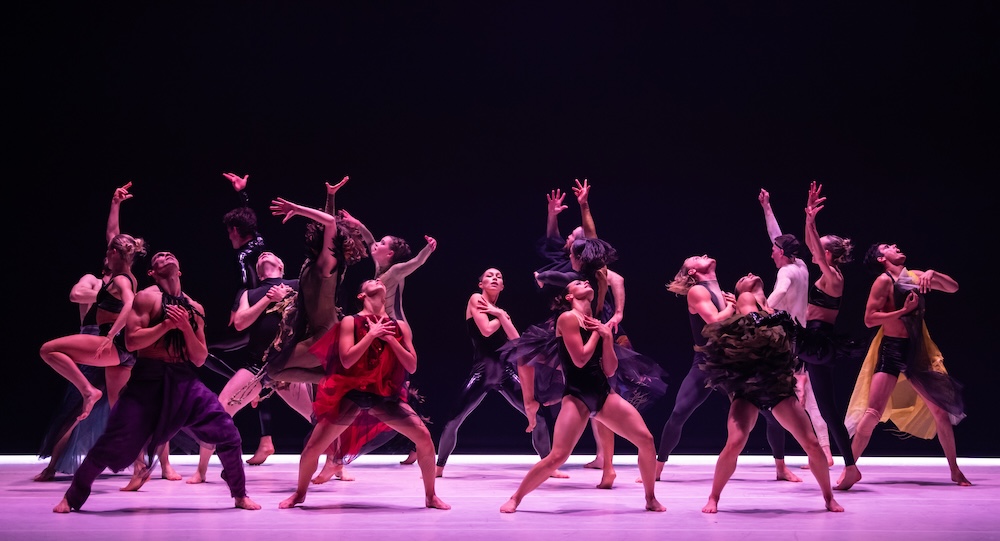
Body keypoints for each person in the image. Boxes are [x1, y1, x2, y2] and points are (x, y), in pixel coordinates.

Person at [53, 251, 261, 512]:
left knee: (228, 434)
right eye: (159, 256)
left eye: (169, 254)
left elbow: (198, 358)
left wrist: (185, 327)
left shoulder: (194, 308)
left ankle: (239, 495)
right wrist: (165, 326)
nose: (165, 255)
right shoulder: (145, 298)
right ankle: (71, 498)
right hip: (147, 381)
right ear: (151, 272)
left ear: (180, 270)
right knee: (111, 443)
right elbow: (131, 342)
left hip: (184, 383)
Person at [279, 279, 450, 510]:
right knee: (312, 448)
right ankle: (299, 494)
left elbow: (411, 366)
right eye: (371, 280)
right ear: (361, 295)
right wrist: (371, 335)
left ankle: (430, 496)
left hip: (384, 395)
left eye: (378, 279)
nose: (377, 280)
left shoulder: (399, 327)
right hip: (351, 393)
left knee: (425, 439)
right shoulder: (351, 321)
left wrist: (389, 338)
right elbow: (347, 360)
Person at [499, 280, 666, 513]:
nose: (586, 281)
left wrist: (607, 337)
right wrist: (599, 334)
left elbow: (610, 369)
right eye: (578, 282)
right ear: (569, 297)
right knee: (558, 456)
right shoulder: (567, 319)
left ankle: (650, 498)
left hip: (603, 393)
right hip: (576, 396)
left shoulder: (596, 324)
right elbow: (579, 359)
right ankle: (516, 498)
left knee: (646, 441)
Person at [697, 273, 844, 513]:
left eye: (753, 273)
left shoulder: (771, 307)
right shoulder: (746, 298)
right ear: (738, 290)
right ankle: (713, 497)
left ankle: (829, 498)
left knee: (812, 444)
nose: (751, 274)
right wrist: (779, 319)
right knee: (734, 442)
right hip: (750, 385)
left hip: (777, 385)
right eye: (744, 276)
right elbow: (753, 324)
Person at [650, 254, 789, 482]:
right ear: (692, 272)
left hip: (731, 363)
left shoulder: (721, 292)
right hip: (706, 363)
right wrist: (732, 307)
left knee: (771, 414)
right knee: (678, 413)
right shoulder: (698, 291)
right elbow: (714, 321)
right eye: (696, 257)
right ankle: (656, 469)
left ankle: (781, 468)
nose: (704, 255)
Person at [843, 242, 970, 486]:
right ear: (881, 258)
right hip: (892, 349)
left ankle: (955, 470)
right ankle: (850, 469)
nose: (896, 246)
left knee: (940, 412)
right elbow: (870, 319)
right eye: (888, 246)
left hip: (916, 350)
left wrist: (933, 273)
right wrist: (902, 311)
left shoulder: (916, 276)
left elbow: (953, 287)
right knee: (872, 413)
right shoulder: (883, 281)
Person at [189, 251, 315, 483]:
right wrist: (269, 298)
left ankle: (337, 466)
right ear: (258, 271)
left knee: (319, 416)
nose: (264, 254)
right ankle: (201, 470)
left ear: (280, 265)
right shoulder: (249, 293)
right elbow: (240, 322)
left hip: (289, 365)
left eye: (271, 254)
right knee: (220, 408)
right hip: (257, 365)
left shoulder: (297, 285)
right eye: (260, 257)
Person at [435, 268, 554, 477]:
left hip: (505, 372)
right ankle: (438, 468)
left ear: (502, 286)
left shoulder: (499, 311)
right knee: (454, 419)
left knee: (539, 414)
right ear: (480, 284)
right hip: (481, 372)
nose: (494, 278)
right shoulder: (476, 299)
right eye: (490, 275)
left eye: (499, 277)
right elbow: (487, 330)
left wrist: (499, 313)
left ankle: (548, 466)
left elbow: (518, 342)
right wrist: (501, 316)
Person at [797, 181, 863, 488]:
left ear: (828, 253)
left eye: (819, 247)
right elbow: (813, 248)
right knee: (824, 407)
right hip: (813, 336)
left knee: (827, 408)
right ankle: (846, 464)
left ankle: (850, 466)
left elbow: (815, 250)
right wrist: (809, 218)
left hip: (819, 340)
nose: (813, 250)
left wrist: (812, 221)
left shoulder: (833, 275)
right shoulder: (829, 271)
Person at [757, 187, 821, 481]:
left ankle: (817, 450)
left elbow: (780, 290)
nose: (771, 252)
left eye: (774, 250)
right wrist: (767, 207)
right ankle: (823, 450)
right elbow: (777, 237)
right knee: (807, 399)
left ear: (782, 254)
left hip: (788, 340)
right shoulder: (801, 264)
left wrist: (759, 312)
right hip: (802, 335)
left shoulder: (785, 273)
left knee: (797, 397)